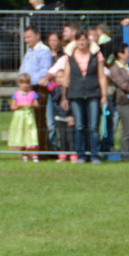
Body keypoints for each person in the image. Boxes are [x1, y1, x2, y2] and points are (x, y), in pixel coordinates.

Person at [54, 31, 108, 164]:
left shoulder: (97, 55)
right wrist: (64, 97)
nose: (82, 43)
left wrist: (104, 95)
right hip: (75, 93)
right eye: (79, 40)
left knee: (94, 126)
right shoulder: (69, 56)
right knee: (78, 126)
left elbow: (101, 76)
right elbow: (66, 77)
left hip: (93, 93)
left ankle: (94, 155)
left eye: (84, 40)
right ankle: (81, 155)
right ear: (76, 42)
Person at [19, 26, 54, 156]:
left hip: (37, 89)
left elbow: (44, 70)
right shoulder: (30, 51)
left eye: (29, 37)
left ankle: (42, 150)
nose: (26, 40)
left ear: (37, 36)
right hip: (27, 88)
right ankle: (29, 148)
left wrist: (28, 82)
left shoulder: (43, 51)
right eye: (25, 37)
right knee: (28, 119)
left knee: (39, 119)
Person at [108, 43, 129, 159]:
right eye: (127, 51)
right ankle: (125, 154)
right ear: (120, 54)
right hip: (124, 102)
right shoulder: (115, 69)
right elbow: (122, 84)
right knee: (127, 131)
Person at [7, 74, 40, 160]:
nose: (25, 85)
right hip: (19, 118)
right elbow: (12, 106)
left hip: (29, 117)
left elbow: (37, 104)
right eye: (22, 83)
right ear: (19, 84)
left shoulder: (32, 93)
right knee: (21, 133)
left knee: (31, 133)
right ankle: (24, 154)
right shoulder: (16, 94)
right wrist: (19, 105)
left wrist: (31, 104)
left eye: (27, 83)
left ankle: (34, 154)